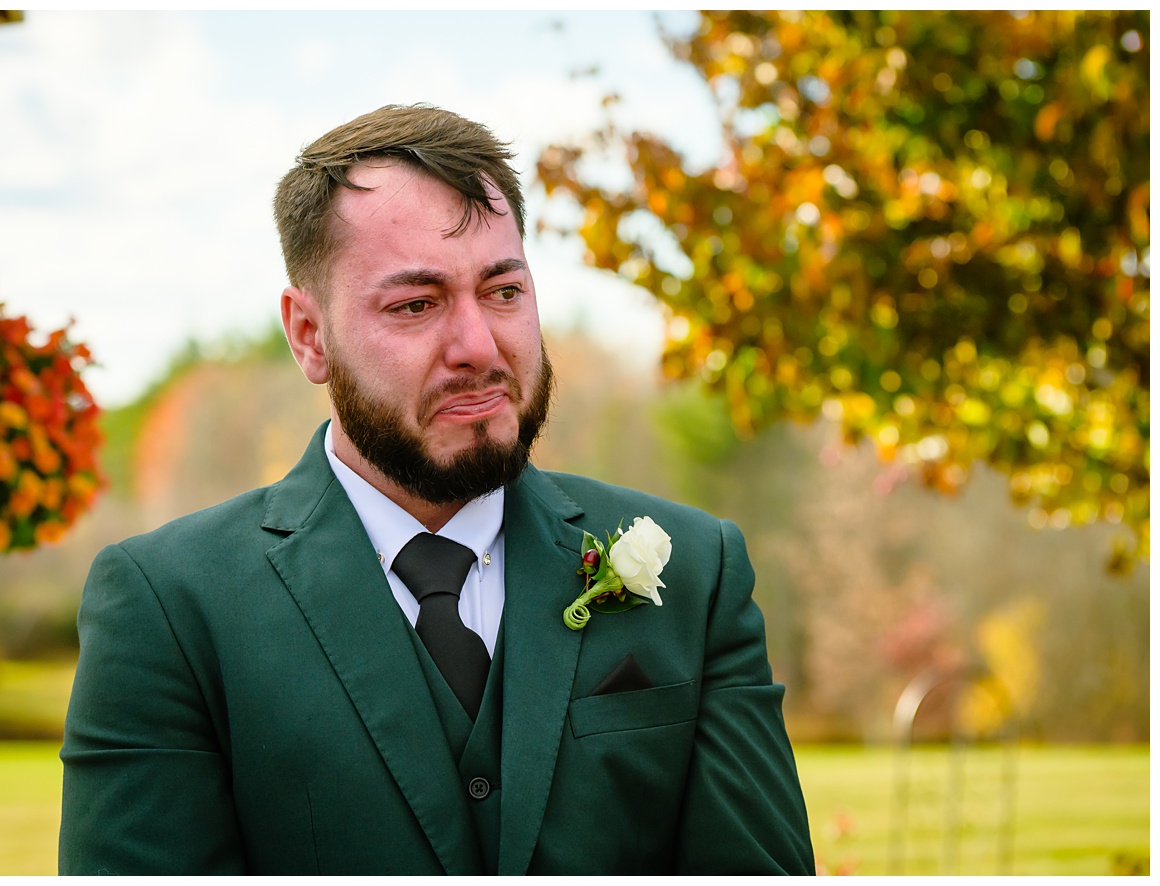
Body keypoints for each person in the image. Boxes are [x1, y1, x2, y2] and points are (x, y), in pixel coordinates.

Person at [58, 103, 815, 875]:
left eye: (504, 292)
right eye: (416, 305)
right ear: (309, 336)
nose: (479, 348)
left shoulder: (696, 571)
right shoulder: (167, 605)